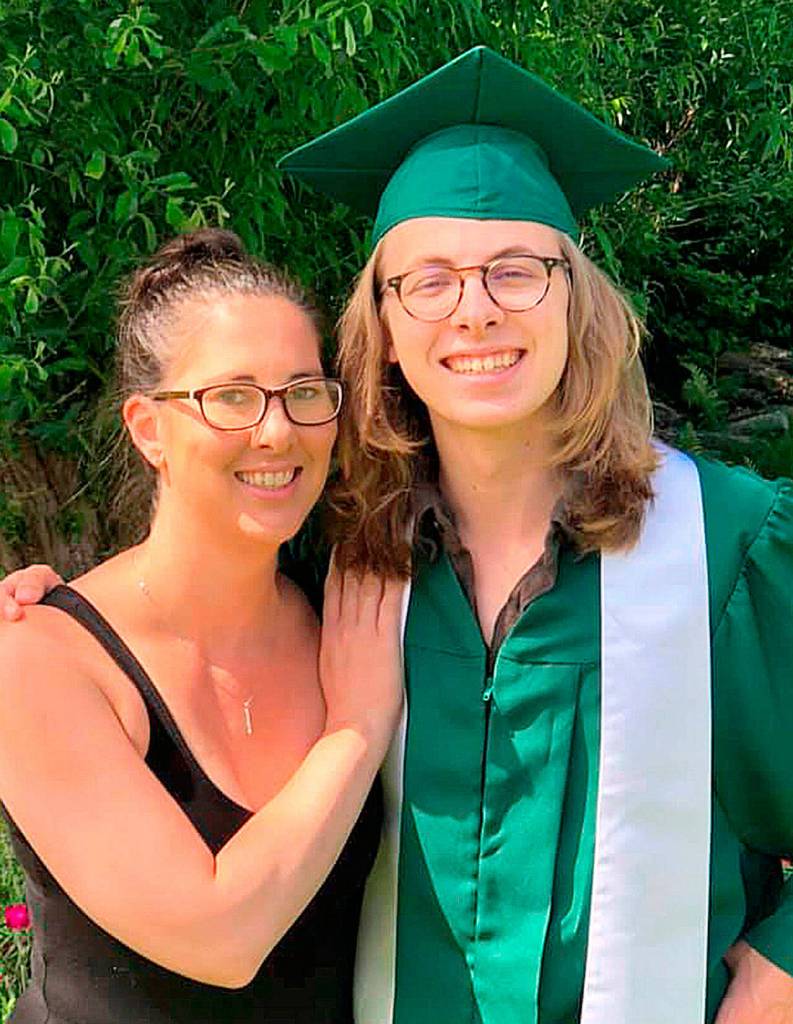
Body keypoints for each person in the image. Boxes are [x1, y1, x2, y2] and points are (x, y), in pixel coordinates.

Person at [5, 47, 793, 1024]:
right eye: (428, 281)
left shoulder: (724, 548)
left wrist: (777, 975)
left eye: (517, 271)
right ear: (381, 321)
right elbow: (186, 588)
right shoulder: (344, 555)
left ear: (575, 296)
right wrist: (48, 605)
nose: (475, 310)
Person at [0, 229, 403, 1024]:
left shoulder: (346, 614)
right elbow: (221, 938)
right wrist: (355, 727)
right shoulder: (43, 661)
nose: (276, 431)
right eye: (232, 395)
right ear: (149, 429)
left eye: (303, 391)